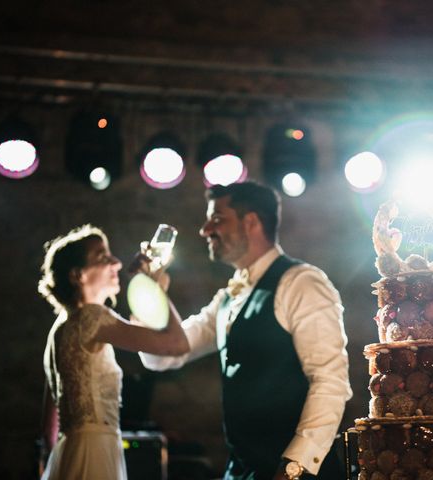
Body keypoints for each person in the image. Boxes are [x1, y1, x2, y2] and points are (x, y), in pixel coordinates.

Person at [137, 181, 352, 480]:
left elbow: (330, 382)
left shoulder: (302, 283)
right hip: (241, 471)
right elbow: (163, 355)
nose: (205, 230)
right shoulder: (227, 298)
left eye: (217, 218)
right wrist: (147, 294)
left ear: (250, 221)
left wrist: (295, 466)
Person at [38, 224, 187, 480]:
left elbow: (49, 425)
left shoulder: (62, 327)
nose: (117, 263)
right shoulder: (92, 318)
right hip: (96, 451)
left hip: (71, 450)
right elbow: (176, 344)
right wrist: (155, 288)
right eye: (103, 257)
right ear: (78, 275)